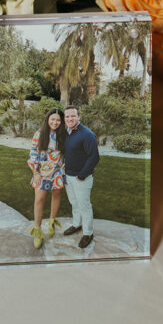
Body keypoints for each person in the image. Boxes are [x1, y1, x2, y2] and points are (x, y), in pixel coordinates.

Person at [27, 108, 66, 250]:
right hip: (41, 172)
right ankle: (37, 231)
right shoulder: (39, 134)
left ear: (61, 122)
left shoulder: (63, 135)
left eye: (58, 120)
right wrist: (35, 172)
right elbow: (33, 153)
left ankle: (51, 222)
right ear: (47, 119)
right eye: (52, 119)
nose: (55, 122)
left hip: (57, 171)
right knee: (39, 199)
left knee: (56, 195)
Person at [63, 105, 100, 249]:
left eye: (73, 116)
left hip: (81, 177)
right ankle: (76, 225)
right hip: (68, 176)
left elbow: (94, 157)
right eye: (67, 116)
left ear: (79, 117)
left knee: (84, 205)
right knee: (74, 202)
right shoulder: (66, 132)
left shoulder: (87, 134)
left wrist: (82, 174)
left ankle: (88, 233)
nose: (70, 119)